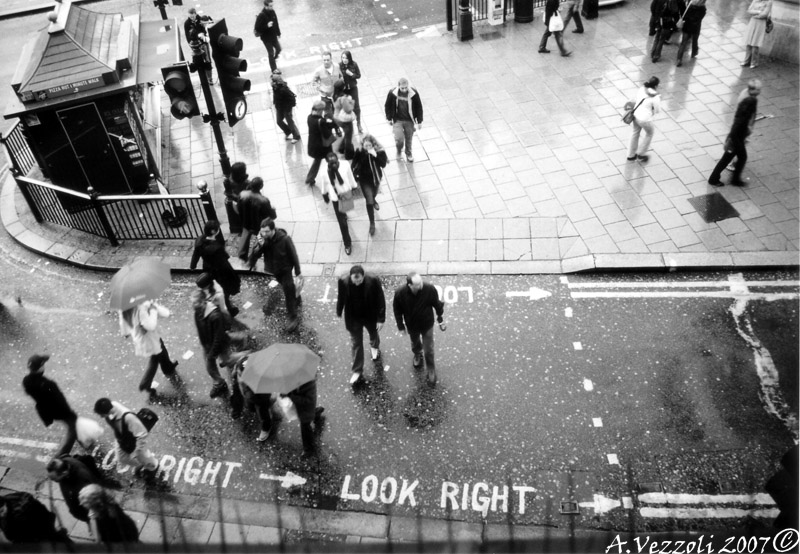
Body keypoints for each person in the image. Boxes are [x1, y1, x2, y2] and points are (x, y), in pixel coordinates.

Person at [247, 218, 304, 332]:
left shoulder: (285, 239)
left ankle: (292, 317)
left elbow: (294, 255)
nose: (264, 234)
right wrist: (261, 245)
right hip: (274, 270)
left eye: (267, 231)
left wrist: (298, 273)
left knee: (288, 292)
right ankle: (297, 298)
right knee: (288, 288)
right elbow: (256, 254)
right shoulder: (263, 240)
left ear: (273, 230)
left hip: (285, 270)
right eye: (262, 231)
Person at [392, 272, 446, 386]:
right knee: (415, 342)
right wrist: (400, 326)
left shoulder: (429, 289)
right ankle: (417, 353)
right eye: (417, 284)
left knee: (429, 349)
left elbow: (436, 303)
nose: (420, 285)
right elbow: (397, 311)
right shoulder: (400, 293)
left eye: (421, 282)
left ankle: (431, 369)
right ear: (410, 285)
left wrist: (440, 316)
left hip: (427, 324)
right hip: (412, 325)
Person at [337, 265, 386, 386]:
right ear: (350, 277)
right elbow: (341, 297)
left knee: (373, 332)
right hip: (353, 318)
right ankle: (357, 370)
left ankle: (374, 346)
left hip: (370, 315)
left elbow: (380, 298)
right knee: (356, 343)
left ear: (363, 276)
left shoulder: (373, 280)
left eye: (360, 280)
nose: (357, 283)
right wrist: (339, 310)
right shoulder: (343, 281)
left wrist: (381, 319)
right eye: (355, 281)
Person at [119, 300, 179, 398]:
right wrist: (153, 310)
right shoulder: (140, 307)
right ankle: (145, 383)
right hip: (149, 339)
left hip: (141, 337)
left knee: (161, 349)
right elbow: (150, 326)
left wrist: (127, 332)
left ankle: (168, 367)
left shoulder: (124, 305)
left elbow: (123, 323)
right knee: (155, 358)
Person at [22, 354, 77, 458]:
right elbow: (60, 401)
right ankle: (60, 457)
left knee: (72, 426)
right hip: (57, 410)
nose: (44, 366)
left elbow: (32, 394)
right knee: (73, 428)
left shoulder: (26, 381)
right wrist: (70, 413)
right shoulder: (48, 384)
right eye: (43, 364)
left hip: (43, 410)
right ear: (41, 367)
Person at [708, 79, 761, 187]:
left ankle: (730, 179)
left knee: (735, 157)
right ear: (754, 90)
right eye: (758, 89)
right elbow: (739, 121)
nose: (760, 91)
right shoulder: (750, 101)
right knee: (732, 157)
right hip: (737, 135)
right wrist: (734, 136)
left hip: (738, 134)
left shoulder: (746, 94)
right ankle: (719, 179)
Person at [94, 398, 158, 475]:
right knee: (122, 458)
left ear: (108, 411)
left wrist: (136, 452)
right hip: (123, 440)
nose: (101, 417)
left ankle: (152, 467)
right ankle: (141, 464)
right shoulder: (111, 407)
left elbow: (142, 434)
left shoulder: (128, 417)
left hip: (135, 444)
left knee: (149, 463)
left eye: (101, 414)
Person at [190, 219, 241, 316]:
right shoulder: (216, 248)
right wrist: (234, 277)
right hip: (219, 273)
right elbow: (225, 264)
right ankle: (228, 309)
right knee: (224, 291)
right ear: (214, 231)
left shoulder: (199, 240)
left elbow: (195, 254)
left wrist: (193, 266)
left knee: (212, 288)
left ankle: (214, 299)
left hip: (207, 269)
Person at [191, 289, 231, 398]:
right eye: (192, 302)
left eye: (195, 302)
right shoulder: (198, 312)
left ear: (203, 301)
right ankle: (219, 383)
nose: (193, 305)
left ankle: (244, 360)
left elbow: (219, 337)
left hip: (218, 345)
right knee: (210, 368)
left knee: (230, 362)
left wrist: (212, 354)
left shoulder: (215, 316)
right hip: (208, 345)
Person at [229, 352, 276, 442]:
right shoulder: (241, 363)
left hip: (259, 397)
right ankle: (265, 407)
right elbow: (235, 371)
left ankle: (266, 427)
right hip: (248, 394)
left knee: (262, 412)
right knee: (251, 408)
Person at [350, 134, 387, 237]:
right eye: (365, 146)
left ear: (373, 144)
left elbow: (383, 164)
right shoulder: (360, 152)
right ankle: (372, 223)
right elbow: (354, 163)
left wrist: (375, 155)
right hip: (364, 180)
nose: (367, 148)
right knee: (369, 200)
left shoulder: (380, 151)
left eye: (369, 146)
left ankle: (374, 199)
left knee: (374, 194)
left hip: (375, 179)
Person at [0, 491, 71, 544]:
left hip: (39, 532)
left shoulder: (22, 507)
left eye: (2, 511)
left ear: (5, 504)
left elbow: (43, 514)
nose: (1, 515)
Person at [320, 153, 357, 255]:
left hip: (346, 194)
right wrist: (324, 195)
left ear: (338, 160)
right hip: (336, 198)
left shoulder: (345, 165)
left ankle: (344, 214)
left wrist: (354, 186)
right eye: (331, 163)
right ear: (327, 162)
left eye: (335, 162)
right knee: (342, 224)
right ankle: (347, 243)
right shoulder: (324, 172)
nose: (334, 165)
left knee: (345, 211)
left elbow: (350, 176)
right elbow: (324, 184)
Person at [46, 456, 100, 523]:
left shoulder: (83, 482)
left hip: (89, 516)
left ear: (64, 473)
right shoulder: (64, 462)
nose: (52, 480)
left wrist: (90, 520)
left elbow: (95, 507)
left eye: (54, 479)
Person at [237, 177, 278, 261]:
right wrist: (273, 210)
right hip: (258, 225)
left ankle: (242, 254)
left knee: (245, 237)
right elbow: (271, 216)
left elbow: (239, 208)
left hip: (246, 222)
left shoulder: (242, 194)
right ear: (261, 186)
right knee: (263, 239)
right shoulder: (264, 201)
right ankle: (258, 254)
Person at [385, 78, 423, 163]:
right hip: (397, 119)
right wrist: (389, 118)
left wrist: (419, 121)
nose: (404, 89)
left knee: (409, 138)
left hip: (409, 120)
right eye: (402, 88)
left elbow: (419, 107)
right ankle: (399, 149)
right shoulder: (392, 93)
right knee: (399, 138)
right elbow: (387, 105)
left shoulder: (413, 93)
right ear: (398, 86)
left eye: (406, 87)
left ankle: (408, 153)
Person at [284, 380, 325, 458]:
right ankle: (317, 412)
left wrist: (291, 396)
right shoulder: (295, 378)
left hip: (306, 407)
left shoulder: (309, 383)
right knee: (309, 415)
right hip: (301, 406)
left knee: (305, 426)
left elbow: (307, 401)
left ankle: (309, 448)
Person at [626, 76, 661, 163]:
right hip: (645, 119)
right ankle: (641, 153)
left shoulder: (642, 89)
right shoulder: (655, 97)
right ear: (656, 86)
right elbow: (657, 110)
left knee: (635, 132)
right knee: (650, 133)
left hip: (635, 114)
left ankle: (631, 155)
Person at [305, 100, 339, 186]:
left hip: (313, 144)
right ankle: (336, 175)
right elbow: (326, 134)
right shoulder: (321, 121)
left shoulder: (309, 117)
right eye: (323, 110)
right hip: (323, 146)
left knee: (317, 161)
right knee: (331, 159)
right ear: (320, 110)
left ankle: (310, 178)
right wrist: (331, 125)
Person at [183, 8, 214, 83]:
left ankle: (210, 78)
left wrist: (203, 37)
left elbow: (205, 29)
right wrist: (192, 46)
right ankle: (204, 78)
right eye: (190, 17)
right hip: (195, 45)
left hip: (203, 43)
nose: (192, 18)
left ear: (195, 14)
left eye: (193, 16)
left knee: (207, 60)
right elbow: (187, 36)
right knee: (198, 61)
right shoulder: (187, 23)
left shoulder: (200, 19)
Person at [271, 71, 301, 143]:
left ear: (276, 82)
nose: (271, 82)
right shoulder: (275, 88)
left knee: (290, 122)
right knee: (279, 121)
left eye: (273, 81)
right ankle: (288, 131)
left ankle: (296, 136)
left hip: (286, 108)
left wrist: (288, 109)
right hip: (279, 107)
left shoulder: (283, 89)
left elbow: (291, 98)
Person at [741, 0, 772, 68]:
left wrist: (755, 14)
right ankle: (746, 61)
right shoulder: (755, 0)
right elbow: (749, 10)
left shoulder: (769, 2)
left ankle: (754, 62)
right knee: (749, 41)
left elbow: (764, 14)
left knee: (755, 43)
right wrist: (758, 12)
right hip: (753, 22)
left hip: (760, 23)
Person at [676, 0, 706, 66]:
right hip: (696, 27)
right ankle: (694, 53)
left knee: (683, 43)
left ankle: (679, 59)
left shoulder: (690, 6)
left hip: (687, 26)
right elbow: (701, 17)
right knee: (695, 40)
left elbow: (684, 16)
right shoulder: (703, 8)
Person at [254, 0, 281, 73]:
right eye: (270, 6)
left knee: (279, 49)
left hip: (273, 36)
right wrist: (267, 26)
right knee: (271, 53)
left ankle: (273, 60)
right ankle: (274, 69)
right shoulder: (261, 15)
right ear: (266, 6)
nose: (272, 7)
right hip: (266, 38)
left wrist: (278, 33)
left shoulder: (272, 12)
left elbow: (276, 23)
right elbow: (257, 28)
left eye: (272, 6)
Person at [339, 50, 363, 133]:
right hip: (344, 89)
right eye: (343, 58)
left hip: (353, 88)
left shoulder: (354, 64)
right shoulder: (339, 66)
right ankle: (348, 124)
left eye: (346, 58)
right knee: (346, 107)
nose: (344, 59)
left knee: (356, 106)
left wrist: (351, 74)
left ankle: (358, 123)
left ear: (349, 58)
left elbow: (359, 75)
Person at [223, 162, 250, 235]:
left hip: (236, 203)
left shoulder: (230, 180)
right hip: (241, 203)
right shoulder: (246, 182)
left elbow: (226, 192)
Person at [333, 92, 357, 158]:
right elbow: (348, 110)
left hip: (336, 117)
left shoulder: (335, 95)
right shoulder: (343, 98)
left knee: (347, 134)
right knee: (348, 137)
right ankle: (349, 154)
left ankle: (341, 148)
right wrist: (350, 101)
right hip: (344, 120)